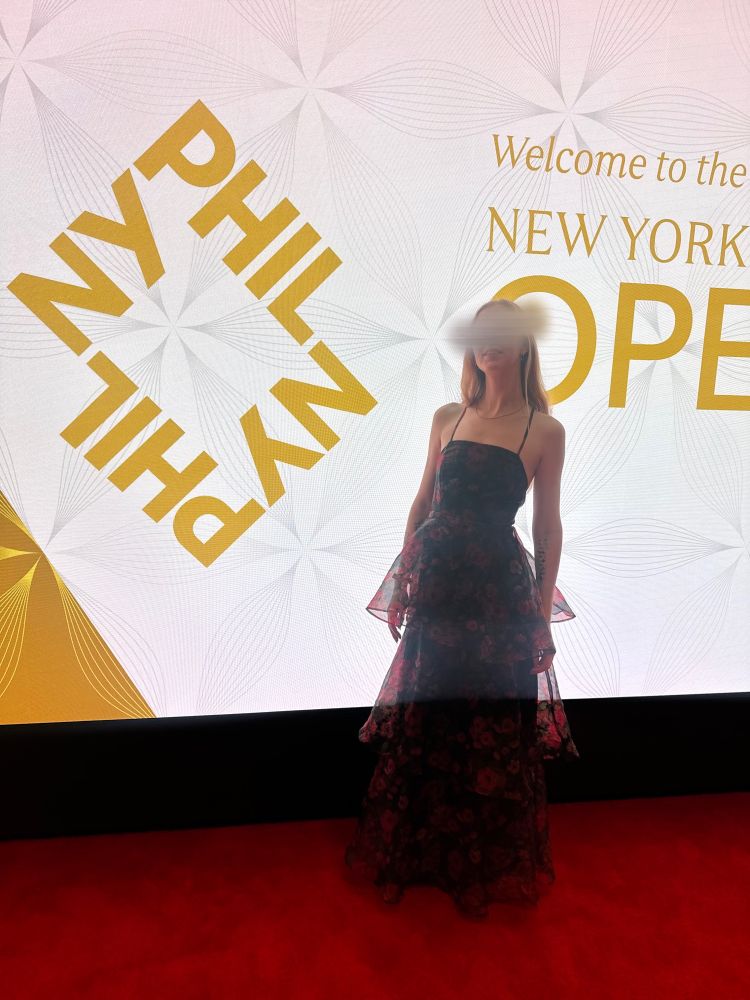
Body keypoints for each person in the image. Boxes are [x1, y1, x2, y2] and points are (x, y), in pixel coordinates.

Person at [343, 297, 580, 920]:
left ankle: (481, 858)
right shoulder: (447, 417)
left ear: (524, 345)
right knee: (429, 714)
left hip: (498, 595)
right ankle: (422, 849)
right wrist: (403, 582)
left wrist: (537, 611)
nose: (489, 343)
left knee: (489, 721)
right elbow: (421, 505)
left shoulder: (544, 430)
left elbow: (548, 527)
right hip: (440, 588)